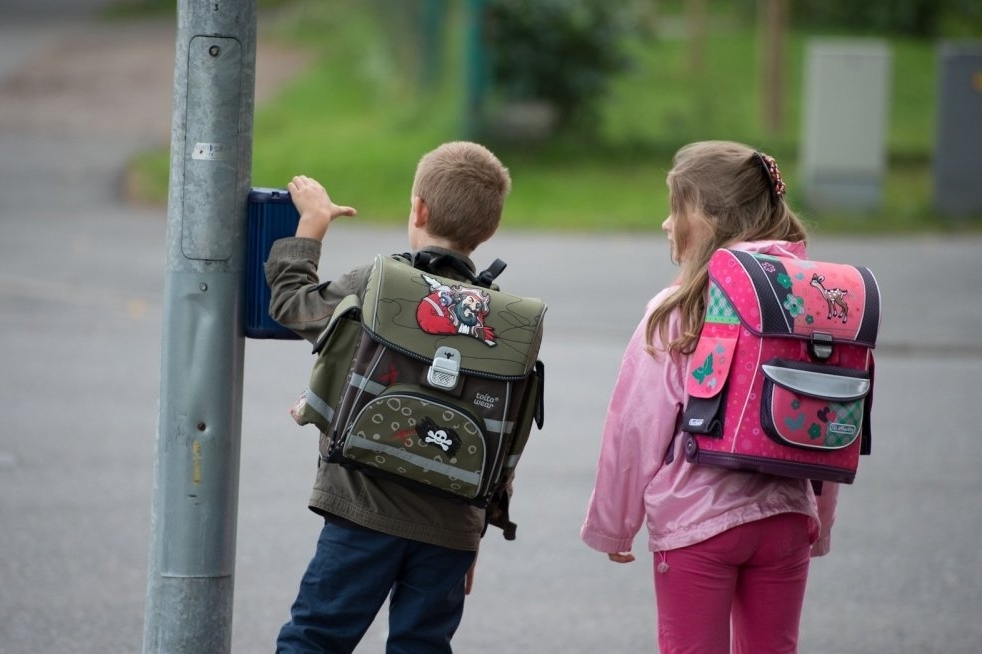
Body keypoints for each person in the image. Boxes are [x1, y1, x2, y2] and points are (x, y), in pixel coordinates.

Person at [580, 140, 839, 654]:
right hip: (787, 516)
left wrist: (615, 525)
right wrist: (819, 521)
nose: (665, 224)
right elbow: (828, 418)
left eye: (674, 207)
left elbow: (636, 424)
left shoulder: (681, 306)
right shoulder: (817, 301)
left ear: (705, 217)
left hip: (697, 523)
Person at [265, 141, 512, 653]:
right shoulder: (501, 320)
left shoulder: (379, 283)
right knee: (421, 645)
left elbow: (294, 306)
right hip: (452, 524)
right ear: (490, 229)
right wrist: (475, 530)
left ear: (419, 209)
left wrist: (312, 224)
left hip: (363, 505)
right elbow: (503, 434)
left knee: (317, 637)